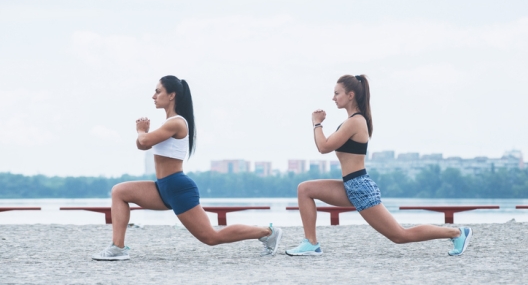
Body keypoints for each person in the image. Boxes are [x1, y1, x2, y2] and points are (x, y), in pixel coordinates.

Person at [92, 75, 282, 261]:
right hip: (163, 187)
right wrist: (143, 134)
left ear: (172, 95)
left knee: (211, 237)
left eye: (158, 91)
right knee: (120, 191)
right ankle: (118, 248)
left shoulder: (177, 122)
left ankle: (267, 232)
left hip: (177, 187)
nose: (153, 96)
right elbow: (142, 145)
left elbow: (144, 139)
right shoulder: (167, 123)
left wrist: (141, 130)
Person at [285, 74, 472, 256]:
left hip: (359, 187)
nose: (333, 98)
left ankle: (457, 233)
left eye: (337, 93)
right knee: (305, 189)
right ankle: (311, 243)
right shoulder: (349, 122)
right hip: (350, 184)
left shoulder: (355, 122)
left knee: (399, 235)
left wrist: (317, 123)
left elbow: (324, 147)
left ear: (351, 95)